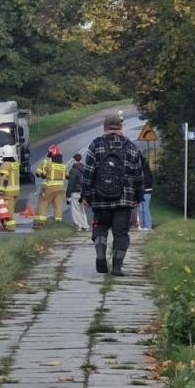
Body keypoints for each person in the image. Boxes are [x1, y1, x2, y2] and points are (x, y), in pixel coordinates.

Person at [82, 114, 149, 276]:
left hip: (100, 198)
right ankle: (117, 266)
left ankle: (100, 253)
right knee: (121, 233)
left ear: (105, 128)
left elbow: (88, 171)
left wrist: (86, 194)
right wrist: (139, 196)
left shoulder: (96, 145)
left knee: (100, 227)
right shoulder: (131, 146)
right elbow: (139, 174)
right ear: (121, 127)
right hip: (124, 199)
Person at [34, 144, 69, 225]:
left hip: (49, 187)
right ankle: (58, 222)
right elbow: (67, 176)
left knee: (43, 203)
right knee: (58, 205)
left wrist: (42, 174)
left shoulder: (47, 163)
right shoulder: (64, 166)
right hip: (60, 188)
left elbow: (39, 174)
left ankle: (41, 222)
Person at [0, 145, 20, 231]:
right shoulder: (16, 164)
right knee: (11, 209)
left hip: (8, 192)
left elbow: (4, 179)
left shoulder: (5, 165)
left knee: (8, 210)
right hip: (16, 191)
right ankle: (6, 224)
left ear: (3, 153)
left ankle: (10, 226)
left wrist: (1, 191)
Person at [65, 153, 91, 232]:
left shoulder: (74, 170)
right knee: (81, 210)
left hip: (75, 192)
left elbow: (71, 183)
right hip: (83, 192)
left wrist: (68, 195)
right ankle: (85, 225)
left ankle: (78, 226)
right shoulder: (84, 169)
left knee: (75, 210)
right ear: (81, 160)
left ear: (74, 160)